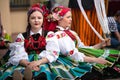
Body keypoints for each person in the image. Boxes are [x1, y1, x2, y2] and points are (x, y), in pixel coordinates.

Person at [43, 6, 111, 80]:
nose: (71, 19)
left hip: (78, 58)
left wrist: (101, 44)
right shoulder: (58, 35)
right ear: (59, 19)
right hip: (69, 62)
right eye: (68, 17)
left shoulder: (71, 32)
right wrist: (95, 60)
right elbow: (72, 55)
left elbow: (83, 48)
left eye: (71, 17)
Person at [0, 3, 60, 80]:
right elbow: (18, 53)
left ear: (43, 20)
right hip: (25, 60)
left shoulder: (49, 34)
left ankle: (30, 77)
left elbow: (52, 52)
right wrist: (27, 64)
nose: (36, 20)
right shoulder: (21, 36)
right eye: (33, 18)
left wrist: (37, 62)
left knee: (44, 71)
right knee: (16, 71)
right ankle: (22, 76)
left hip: (43, 60)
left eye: (39, 18)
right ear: (28, 20)